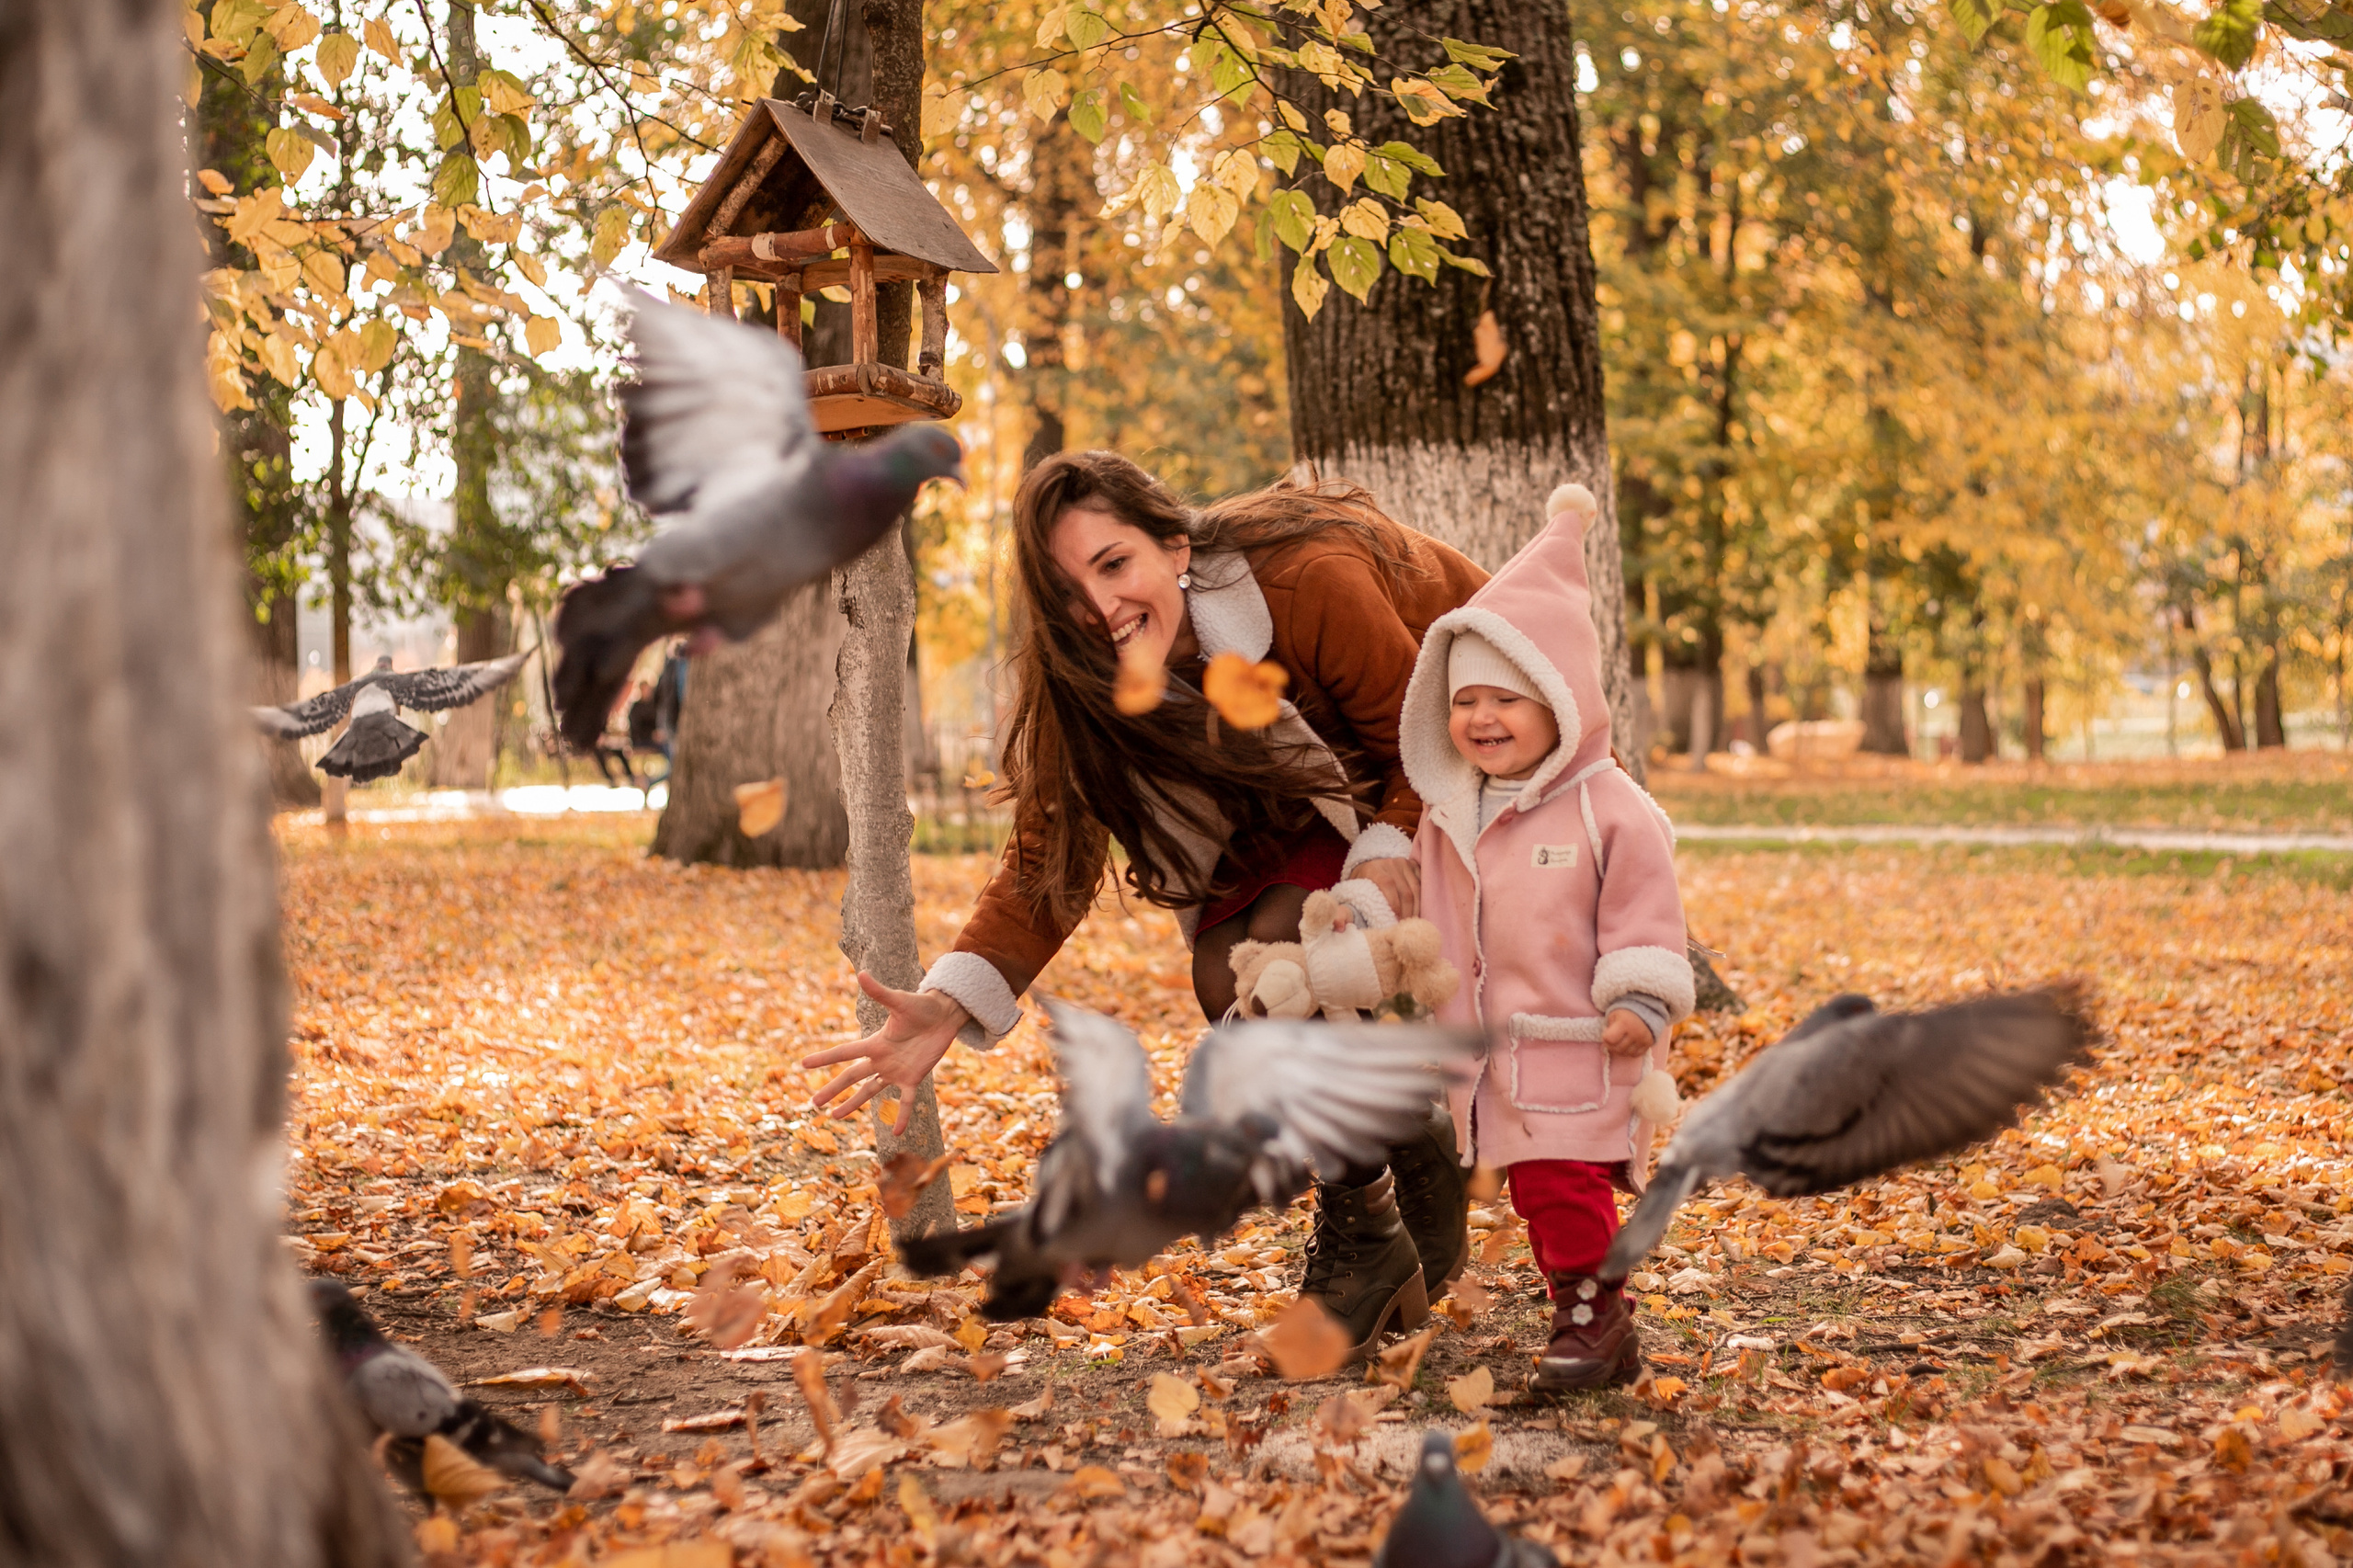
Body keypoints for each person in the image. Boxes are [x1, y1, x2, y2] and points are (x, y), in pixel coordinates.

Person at [801, 450, 1487, 1356]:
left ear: (1176, 546)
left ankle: (1372, 1229)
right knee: (1231, 982)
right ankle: (1391, 1176)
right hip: (1284, 802)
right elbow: (1053, 850)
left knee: (1279, 956)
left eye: (1114, 563)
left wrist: (1381, 862)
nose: (1103, 606)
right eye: (1071, 591)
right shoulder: (1081, 675)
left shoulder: (1305, 579)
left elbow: (1426, 736)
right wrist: (947, 998)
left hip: (1447, 750)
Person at [1395, 483, 1695, 1392]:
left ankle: (1590, 1315)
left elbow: (1644, 911)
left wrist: (1640, 996)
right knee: (1535, 1189)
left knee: (1564, 1183)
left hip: (1578, 1039)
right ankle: (1600, 1319)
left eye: (1507, 700)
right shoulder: (1448, 813)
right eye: (1466, 701)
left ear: (1559, 701)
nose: (1482, 718)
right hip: (1491, 1050)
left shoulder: (1610, 808)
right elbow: (1429, 907)